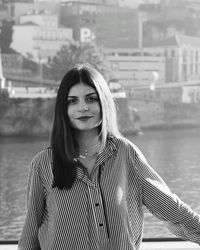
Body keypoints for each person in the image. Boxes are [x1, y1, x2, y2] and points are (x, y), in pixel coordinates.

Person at [18, 63, 200, 250]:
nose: (82, 107)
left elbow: (172, 209)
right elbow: (30, 237)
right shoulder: (43, 165)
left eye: (91, 99)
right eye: (72, 101)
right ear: (62, 109)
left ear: (103, 101)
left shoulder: (126, 154)